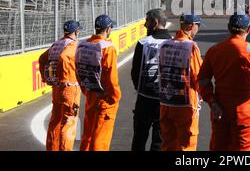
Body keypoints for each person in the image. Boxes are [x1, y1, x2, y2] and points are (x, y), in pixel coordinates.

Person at [198, 13, 250, 151]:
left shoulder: (214, 50)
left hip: (219, 110)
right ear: (248, 29)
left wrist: (212, 101)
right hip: (245, 113)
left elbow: (203, 80)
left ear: (229, 27)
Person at [76, 14, 121, 151]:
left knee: (88, 135)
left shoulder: (82, 44)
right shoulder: (107, 47)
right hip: (104, 98)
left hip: (90, 94)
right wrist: (115, 97)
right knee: (101, 138)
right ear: (108, 29)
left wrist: (86, 90)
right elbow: (111, 78)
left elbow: (78, 70)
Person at [159, 13, 203, 151]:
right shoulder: (191, 46)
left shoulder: (165, 44)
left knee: (168, 144)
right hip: (185, 104)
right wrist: (204, 96)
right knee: (186, 145)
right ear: (191, 26)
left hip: (166, 102)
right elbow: (198, 77)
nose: (198, 29)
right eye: (198, 26)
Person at [131, 9, 172, 151]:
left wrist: (140, 88)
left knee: (139, 138)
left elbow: (135, 72)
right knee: (159, 140)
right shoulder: (174, 43)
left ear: (155, 23)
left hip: (145, 98)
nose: (144, 25)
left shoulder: (143, 43)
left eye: (147, 22)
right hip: (165, 99)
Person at [39, 20, 82, 151]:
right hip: (69, 88)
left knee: (55, 120)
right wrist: (64, 78)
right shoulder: (72, 45)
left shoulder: (56, 44)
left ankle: (51, 148)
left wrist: (45, 77)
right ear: (76, 32)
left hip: (57, 88)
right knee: (69, 121)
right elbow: (64, 57)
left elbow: (42, 58)